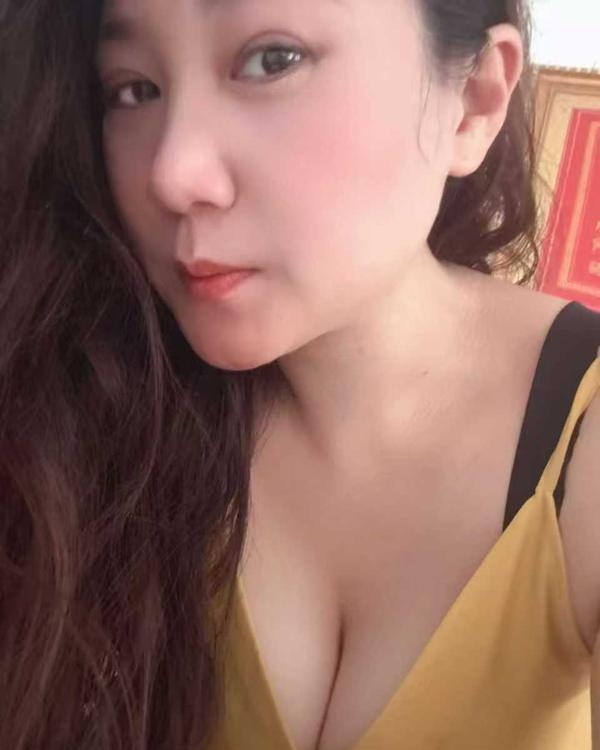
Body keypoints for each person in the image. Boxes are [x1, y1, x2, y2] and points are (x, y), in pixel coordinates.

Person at [1, 0, 600, 748]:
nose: (171, 175)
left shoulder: (580, 438)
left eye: (272, 60)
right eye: (133, 89)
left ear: (474, 100)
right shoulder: (92, 395)